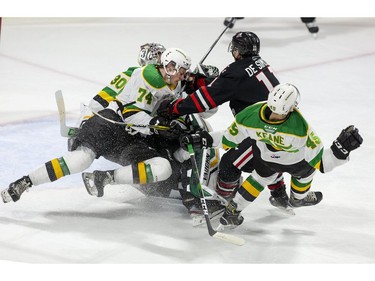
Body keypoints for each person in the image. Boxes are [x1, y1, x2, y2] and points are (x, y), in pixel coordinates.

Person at [0, 47, 192, 204]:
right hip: (110, 124)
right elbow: (101, 102)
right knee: (81, 160)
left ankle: (107, 178)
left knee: (162, 170)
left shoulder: (171, 86)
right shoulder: (137, 76)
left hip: (132, 138)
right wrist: (83, 125)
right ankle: (25, 181)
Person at [193, 83, 362, 229]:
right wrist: (340, 151)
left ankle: (233, 211)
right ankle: (298, 199)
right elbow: (323, 164)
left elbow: (227, 138)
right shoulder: (300, 128)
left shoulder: (251, 114)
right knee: (301, 180)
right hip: (297, 164)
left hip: (267, 160)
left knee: (258, 179)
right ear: (292, 107)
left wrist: (204, 139)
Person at [157, 31, 288, 210]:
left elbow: (208, 98)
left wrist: (175, 108)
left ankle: (221, 202)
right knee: (265, 158)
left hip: (263, 132)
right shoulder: (260, 63)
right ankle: (279, 195)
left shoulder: (237, 72)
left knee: (230, 164)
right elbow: (227, 84)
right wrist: (196, 81)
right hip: (278, 129)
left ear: (237, 51)